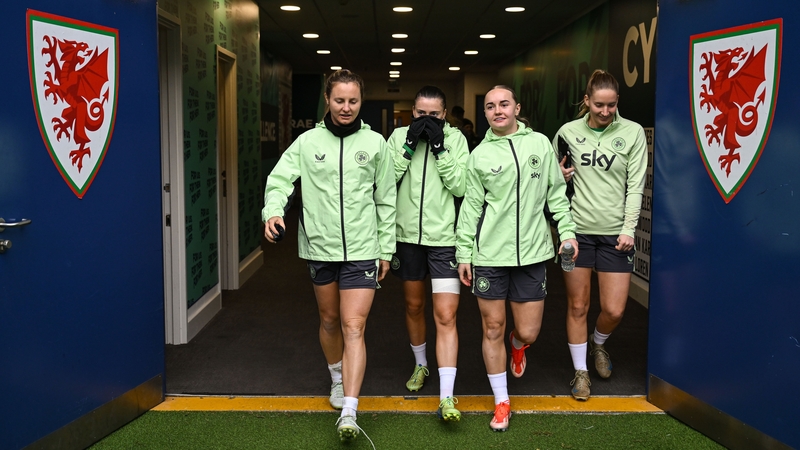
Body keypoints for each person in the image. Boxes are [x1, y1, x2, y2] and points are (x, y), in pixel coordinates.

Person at [262, 69, 395, 443]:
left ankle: (350, 409)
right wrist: (273, 211)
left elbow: (386, 200)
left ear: (361, 101)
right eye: (340, 100)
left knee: (355, 326)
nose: (347, 108)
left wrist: (386, 248)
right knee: (330, 319)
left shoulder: (376, 144)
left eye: (353, 101)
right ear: (327, 99)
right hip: (320, 247)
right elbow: (279, 180)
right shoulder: (307, 143)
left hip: (363, 249)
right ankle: (337, 377)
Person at [456, 85, 578, 432]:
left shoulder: (539, 143)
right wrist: (464, 251)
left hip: (532, 254)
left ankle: (518, 346)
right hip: (490, 255)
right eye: (491, 107)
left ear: (517, 108)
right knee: (492, 326)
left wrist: (566, 232)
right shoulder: (478, 155)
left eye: (504, 104)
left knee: (528, 330)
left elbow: (556, 193)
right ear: (486, 114)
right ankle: (501, 401)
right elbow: (471, 208)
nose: (498, 111)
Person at [552, 69, 647, 401]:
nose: (605, 112)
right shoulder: (567, 132)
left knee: (615, 310)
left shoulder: (633, 133)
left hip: (614, 236)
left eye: (611, 105)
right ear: (587, 101)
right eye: (598, 106)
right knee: (578, 305)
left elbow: (635, 187)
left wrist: (628, 229)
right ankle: (581, 372)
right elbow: (551, 188)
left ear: (617, 101)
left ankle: (599, 344)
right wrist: (560, 178)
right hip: (577, 233)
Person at [387, 86, 469, 421]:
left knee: (446, 315)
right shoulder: (396, 137)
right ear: (413, 111)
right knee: (414, 305)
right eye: (420, 114)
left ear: (444, 114)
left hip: (444, 240)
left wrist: (439, 149)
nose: (426, 120)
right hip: (406, 238)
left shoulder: (457, 140)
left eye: (433, 115)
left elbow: (461, 187)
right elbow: (385, 180)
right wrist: (408, 146)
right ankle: (421, 365)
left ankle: (447, 395)